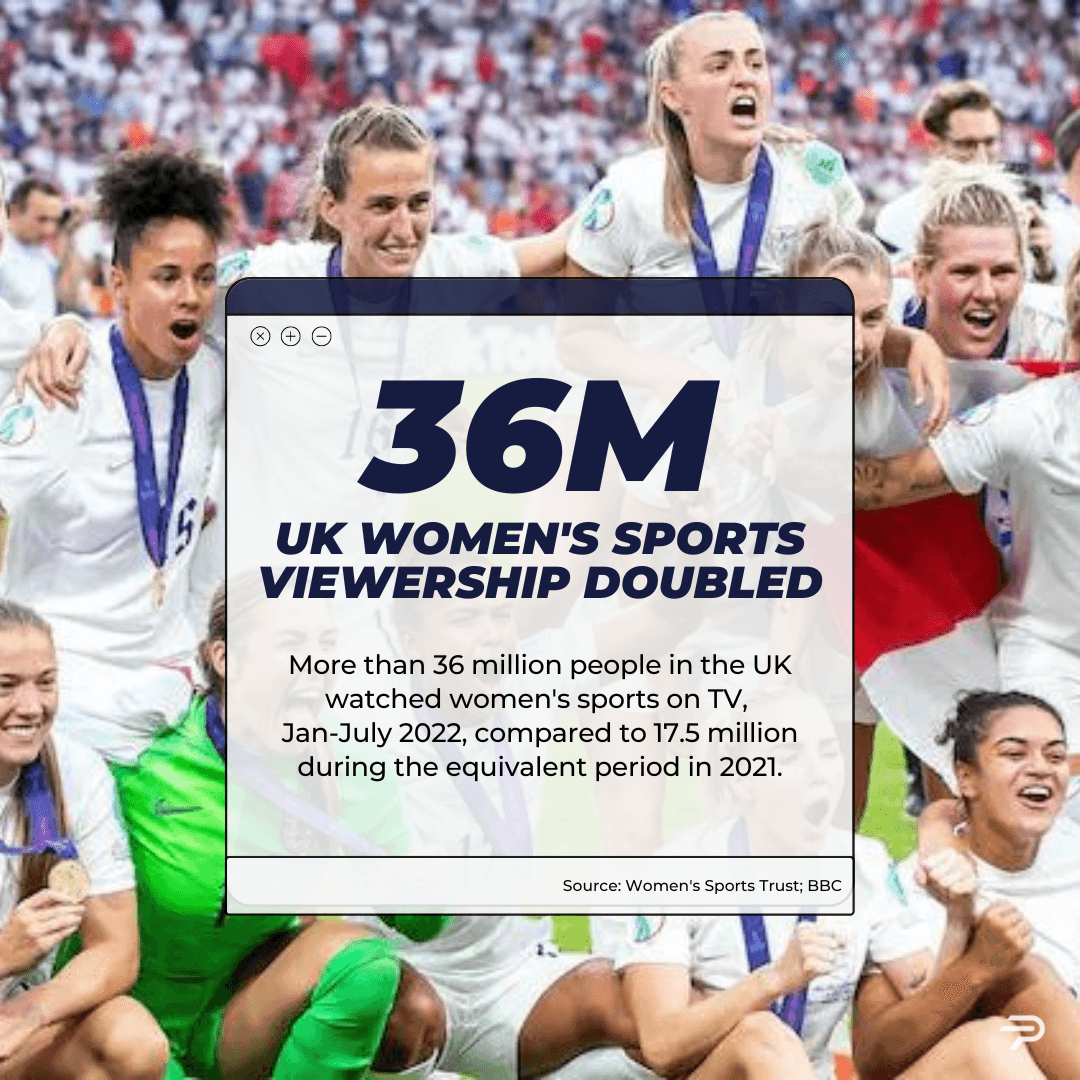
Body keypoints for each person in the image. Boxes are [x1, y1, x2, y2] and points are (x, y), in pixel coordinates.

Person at [111, 585, 433, 1080]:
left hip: (236, 1017)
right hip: (119, 1024)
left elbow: (423, 922)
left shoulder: (347, 764)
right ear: (224, 658)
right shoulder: (146, 752)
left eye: (327, 645)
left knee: (367, 965)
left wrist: (353, 817)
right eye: (292, 644)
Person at [0, 148, 227, 764]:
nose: (190, 297)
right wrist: (60, 327)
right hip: (70, 698)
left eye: (204, 277)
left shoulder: (214, 372)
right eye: (166, 277)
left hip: (169, 685)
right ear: (119, 283)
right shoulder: (63, 384)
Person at [852, 358, 1080, 795]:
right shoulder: (1030, 417)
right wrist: (789, 461)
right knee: (1036, 808)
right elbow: (889, 484)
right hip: (1050, 659)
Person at [864, 691, 1080, 1080]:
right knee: (1013, 991)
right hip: (965, 1064)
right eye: (1014, 754)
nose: (1040, 769)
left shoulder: (1072, 852)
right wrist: (976, 967)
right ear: (966, 777)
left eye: (1055, 756)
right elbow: (875, 1060)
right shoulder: (914, 887)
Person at [0, 600, 168, 1080]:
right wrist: (5, 956)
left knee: (129, 1040)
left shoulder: (75, 772)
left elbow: (116, 950)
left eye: (46, 682)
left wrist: (30, 1011)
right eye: (5, 686)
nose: (32, 708)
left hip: (10, 1029)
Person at [565, 12, 863, 280]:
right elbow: (580, 331)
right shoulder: (628, 191)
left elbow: (859, 294)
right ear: (672, 96)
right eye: (719, 66)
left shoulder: (814, 168)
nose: (744, 77)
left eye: (756, 64)